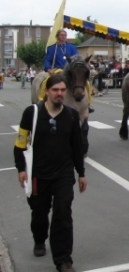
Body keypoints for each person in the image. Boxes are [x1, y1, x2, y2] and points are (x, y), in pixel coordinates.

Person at [14, 74, 87, 272]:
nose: (60, 94)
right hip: (38, 174)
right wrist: (21, 169)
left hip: (63, 174)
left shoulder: (71, 115)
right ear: (46, 91)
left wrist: (81, 173)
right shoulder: (32, 113)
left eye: (63, 90)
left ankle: (63, 260)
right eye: (55, 90)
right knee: (39, 214)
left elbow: (76, 147)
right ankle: (39, 239)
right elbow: (20, 143)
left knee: (63, 215)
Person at [40, 29, 94, 113]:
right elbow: (47, 60)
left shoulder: (72, 47)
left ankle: (88, 104)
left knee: (86, 83)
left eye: (65, 35)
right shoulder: (52, 48)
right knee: (45, 81)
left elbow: (78, 58)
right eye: (61, 35)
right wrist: (48, 69)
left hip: (71, 70)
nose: (63, 36)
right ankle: (42, 100)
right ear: (57, 37)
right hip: (57, 69)